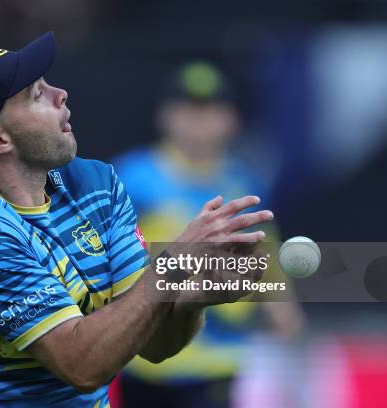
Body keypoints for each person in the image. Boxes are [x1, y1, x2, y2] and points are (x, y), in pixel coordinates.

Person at [0, 33, 274, 408]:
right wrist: (172, 266)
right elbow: (82, 367)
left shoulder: (95, 183)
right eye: (37, 94)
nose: (61, 95)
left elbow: (151, 344)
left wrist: (193, 298)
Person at [114, 61, 303, 408]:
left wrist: (282, 307)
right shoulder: (132, 176)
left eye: (210, 111)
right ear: (164, 115)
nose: (197, 122)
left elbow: (266, 251)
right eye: (186, 109)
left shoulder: (245, 183)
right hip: (144, 357)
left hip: (218, 359)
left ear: (231, 120)